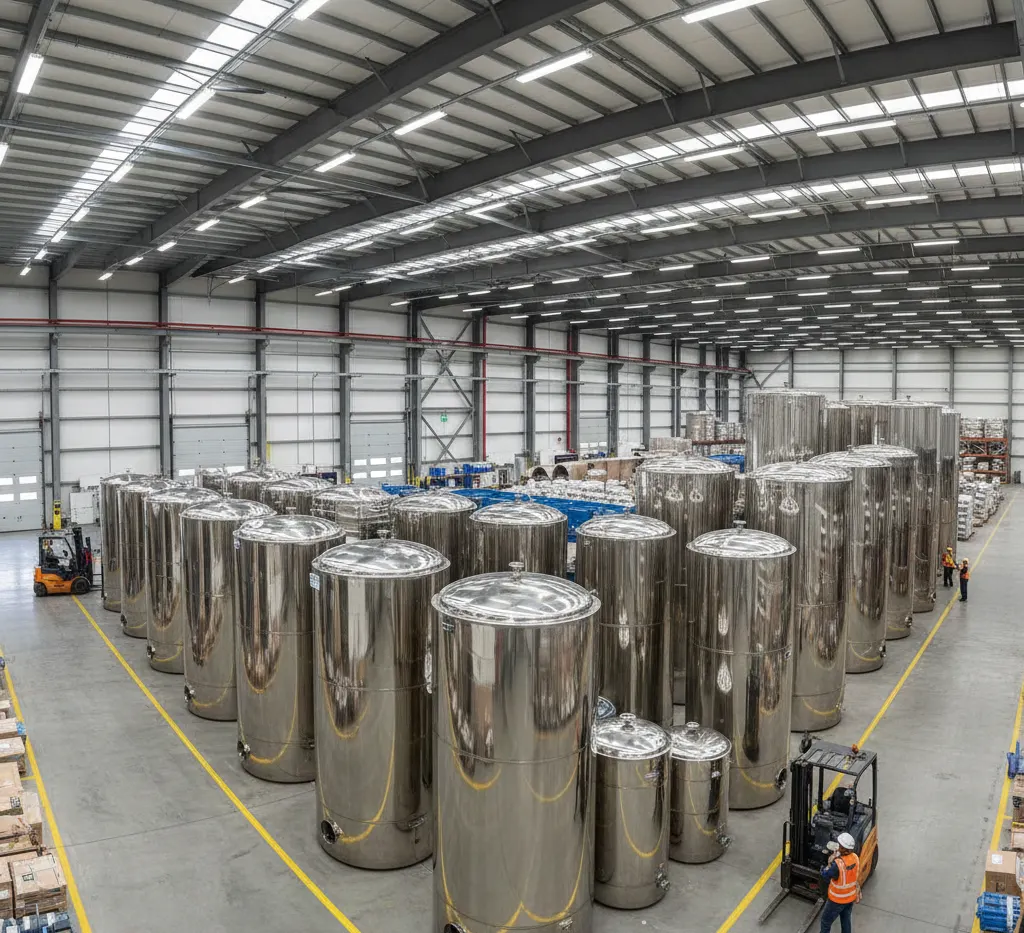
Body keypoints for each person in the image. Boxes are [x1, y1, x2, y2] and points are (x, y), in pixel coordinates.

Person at [820, 832, 860, 933]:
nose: (838, 847)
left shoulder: (837, 864)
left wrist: (827, 865)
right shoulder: (855, 857)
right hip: (850, 898)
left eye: (839, 845)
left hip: (836, 900)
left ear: (843, 848)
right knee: (845, 920)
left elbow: (826, 876)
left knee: (825, 921)